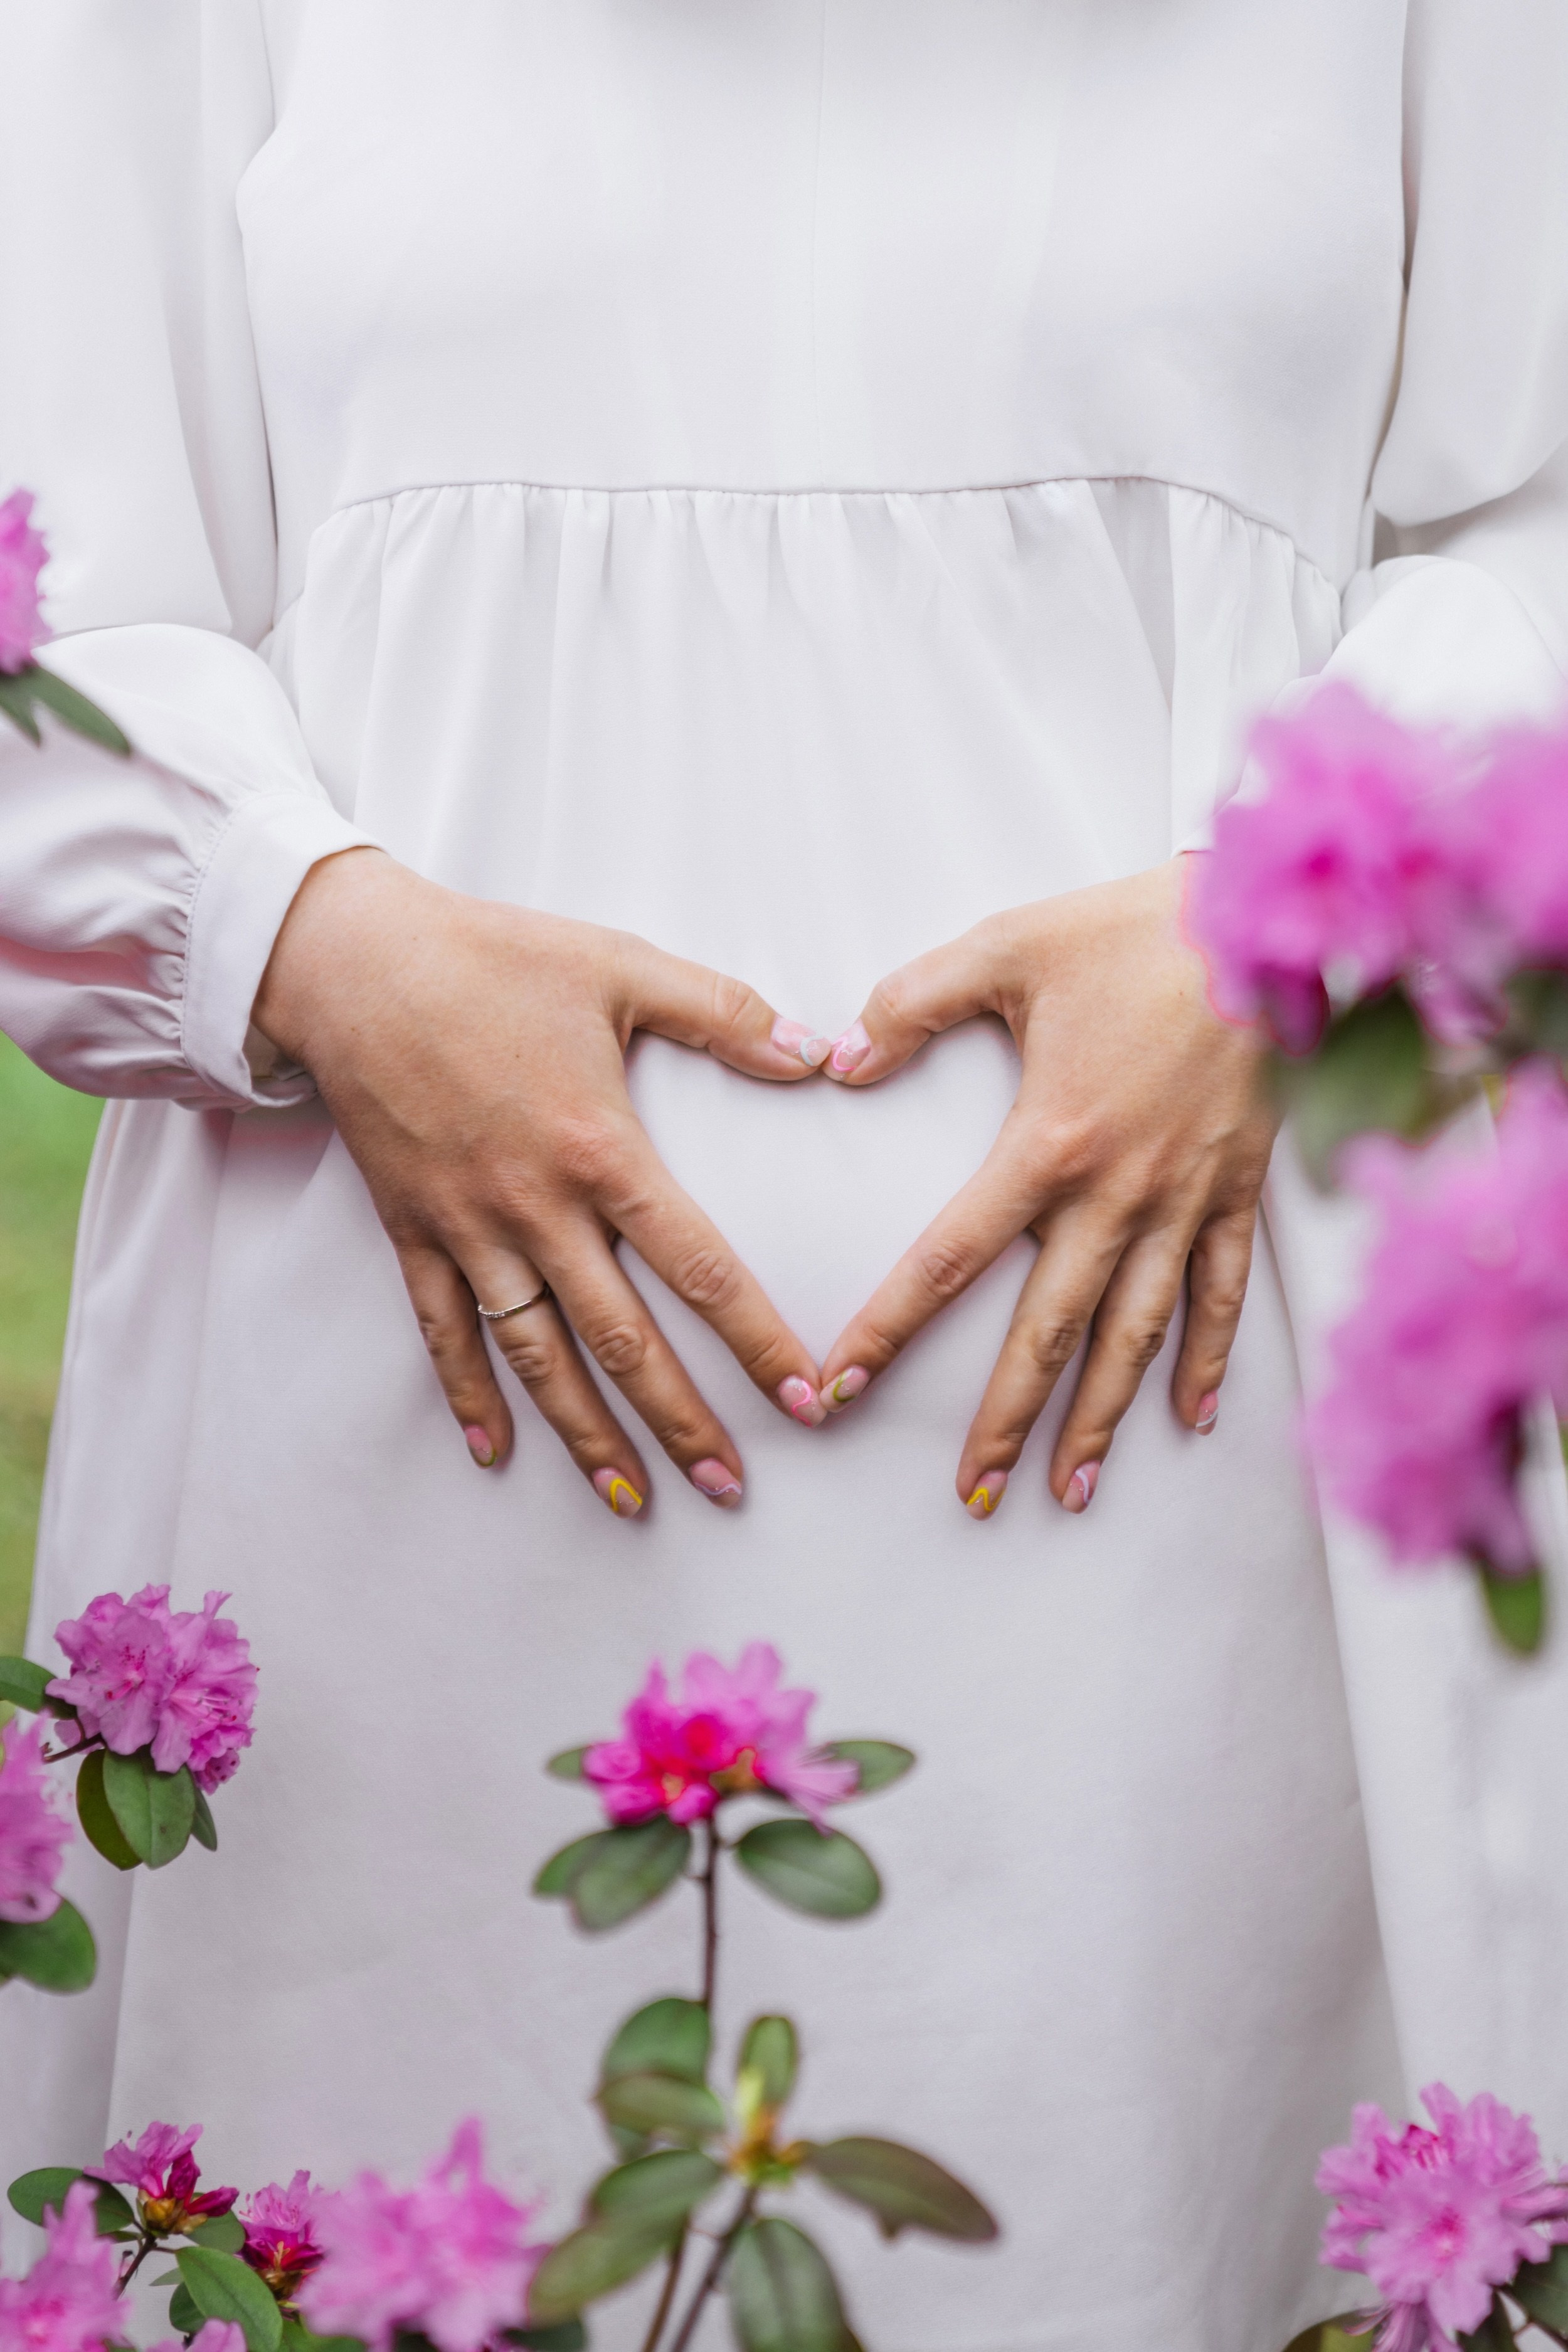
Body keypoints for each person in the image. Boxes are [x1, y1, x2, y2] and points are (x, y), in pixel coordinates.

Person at [2, 6, 1567, 2347]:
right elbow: (46, 599)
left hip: (1188, 1523)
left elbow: (1533, 514)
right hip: (403, 1520)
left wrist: (1283, 914)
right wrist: (295, 932)